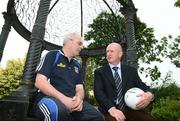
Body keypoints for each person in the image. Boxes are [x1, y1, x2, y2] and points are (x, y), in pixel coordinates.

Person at [33, 33, 105, 121]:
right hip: (48, 99)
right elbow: (40, 82)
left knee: (98, 117)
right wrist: (64, 100)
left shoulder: (77, 65)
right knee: (58, 112)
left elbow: (80, 88)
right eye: (79, 43)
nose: (82, 47)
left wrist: (78, 98)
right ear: (69, 42)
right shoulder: (52, 55)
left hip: (72, 101)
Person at [94, 42, 157, 121]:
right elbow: (98, 93)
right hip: (110, 111)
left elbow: (142, 86)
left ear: (120, 54)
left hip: (131, 110)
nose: (108, 54)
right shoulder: (100, 72)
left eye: (112, 51)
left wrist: (150, 95)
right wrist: (112, 109)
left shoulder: (131, 71)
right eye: (107, 51)